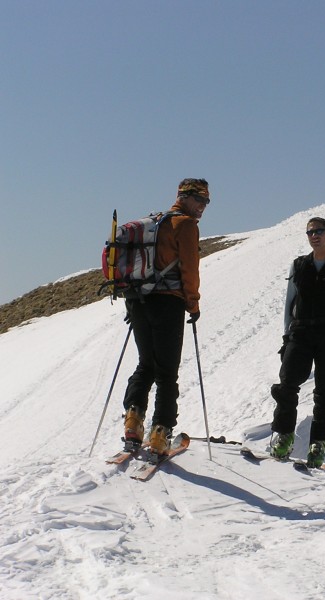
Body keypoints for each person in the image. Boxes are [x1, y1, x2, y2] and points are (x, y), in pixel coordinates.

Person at [121, 178, 210, 455]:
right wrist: (193, 304)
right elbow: (189, 269)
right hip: (167, 304)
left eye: (206, 202)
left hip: (137, 301)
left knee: (145, 363)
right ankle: (160, 433)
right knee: (167, 372)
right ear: (184, 197)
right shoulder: (184, 225)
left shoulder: (155, 223)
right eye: (201, 200)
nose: (203, 207)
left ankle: (133, 422)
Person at [269, 217, 325, 467]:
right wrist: (287, 335)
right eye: (310, 232)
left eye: (319, 231)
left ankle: (319, 444)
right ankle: (283, 437)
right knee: (287, 385)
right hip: (301, 333)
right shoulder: (299, 266)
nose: (314, 236)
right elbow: (290, 302)